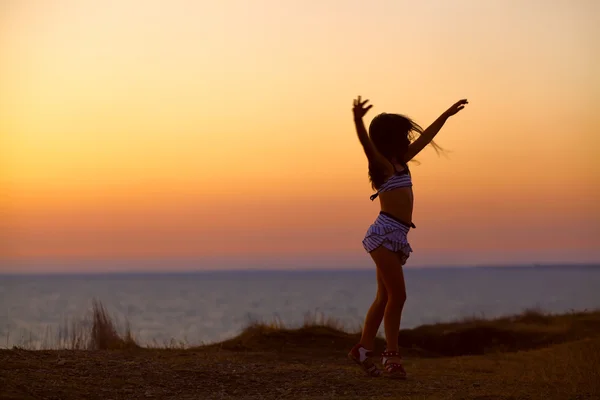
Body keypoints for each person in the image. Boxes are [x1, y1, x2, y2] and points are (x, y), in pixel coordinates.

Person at [347, 96, 468, 379]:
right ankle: (392, 356)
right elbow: (366, 146)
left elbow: (426, 137)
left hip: (396, 235)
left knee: (384, 297)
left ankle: (362, 350)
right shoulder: (382, 167)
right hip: (383, 234)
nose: (407, 138)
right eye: (402, 135)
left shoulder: (401, 163)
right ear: (390, 139)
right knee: (398, 296)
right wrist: (357, 120)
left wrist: (447, 114)